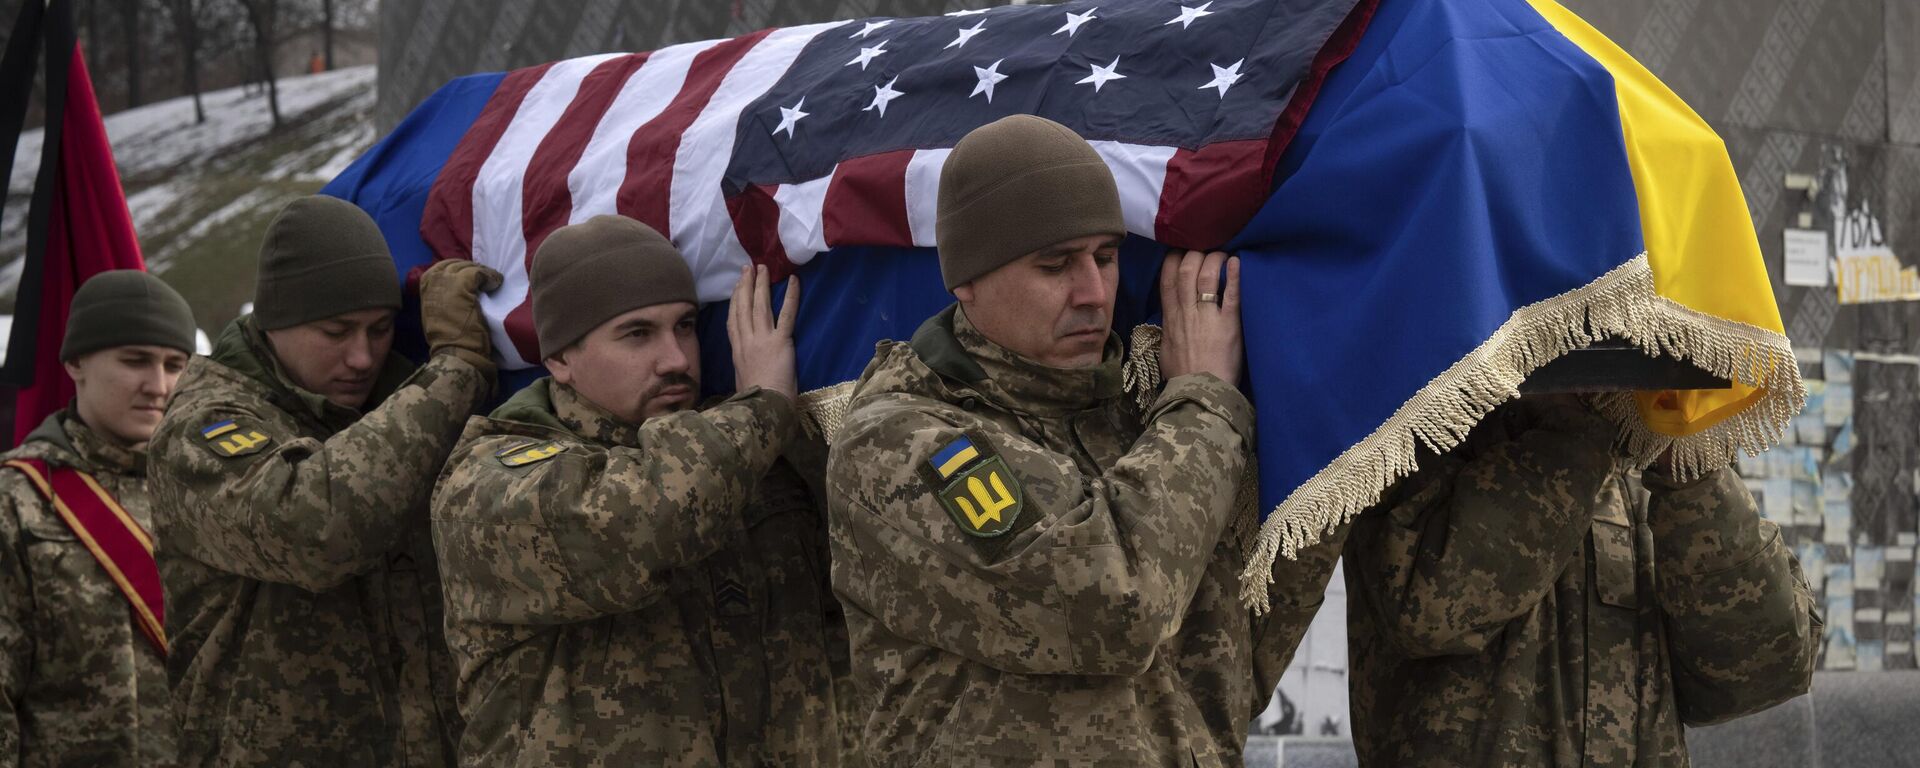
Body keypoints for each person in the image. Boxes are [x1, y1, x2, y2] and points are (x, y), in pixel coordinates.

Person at [825, 114, 1343, 766]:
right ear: (967, 281)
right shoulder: (901, 444)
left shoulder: (1143, 417)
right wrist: (1207, 398)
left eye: (1106, 256)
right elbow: (1116, 605)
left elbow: (1230, 669)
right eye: (1055, 265)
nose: (1095, 294)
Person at [430, 215, 843, 766]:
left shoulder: (742, 453)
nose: (676, 359)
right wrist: (767, 406)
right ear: (559, 359)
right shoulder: (483, 482)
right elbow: (640, 519)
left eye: (688, 326)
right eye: (637, 333)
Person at [147, 195, 499, 767]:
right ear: (275, 323)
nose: (362, 356)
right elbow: (312, 529)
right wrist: (456, 369)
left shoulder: (401, 402)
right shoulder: (202, 426)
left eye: (380, 328)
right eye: (337, 331)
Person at [1343, 395, 1823, 767]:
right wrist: (1577, 428)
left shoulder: (1645, 451)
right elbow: (1430, 608)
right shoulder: (1424, 419)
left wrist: (1689, 473)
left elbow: (1760, 671)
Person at [1, 271, 195, 767]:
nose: (159, 386)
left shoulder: (209, 490)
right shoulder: (16, 500)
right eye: (135, 361)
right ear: (75, 362)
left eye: (176, 365)